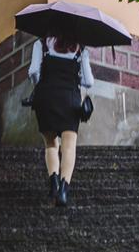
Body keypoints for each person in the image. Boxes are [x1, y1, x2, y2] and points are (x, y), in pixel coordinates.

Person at [28, 33, 94, 206]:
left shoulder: (41, 43)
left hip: (46, 96)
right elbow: (89, 82)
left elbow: (33, 71)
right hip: (69, 99)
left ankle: (53, 181)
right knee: (69, 146)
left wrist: (39, 85)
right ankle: (64, 190)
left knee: (50, 144)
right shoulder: (80, 48)